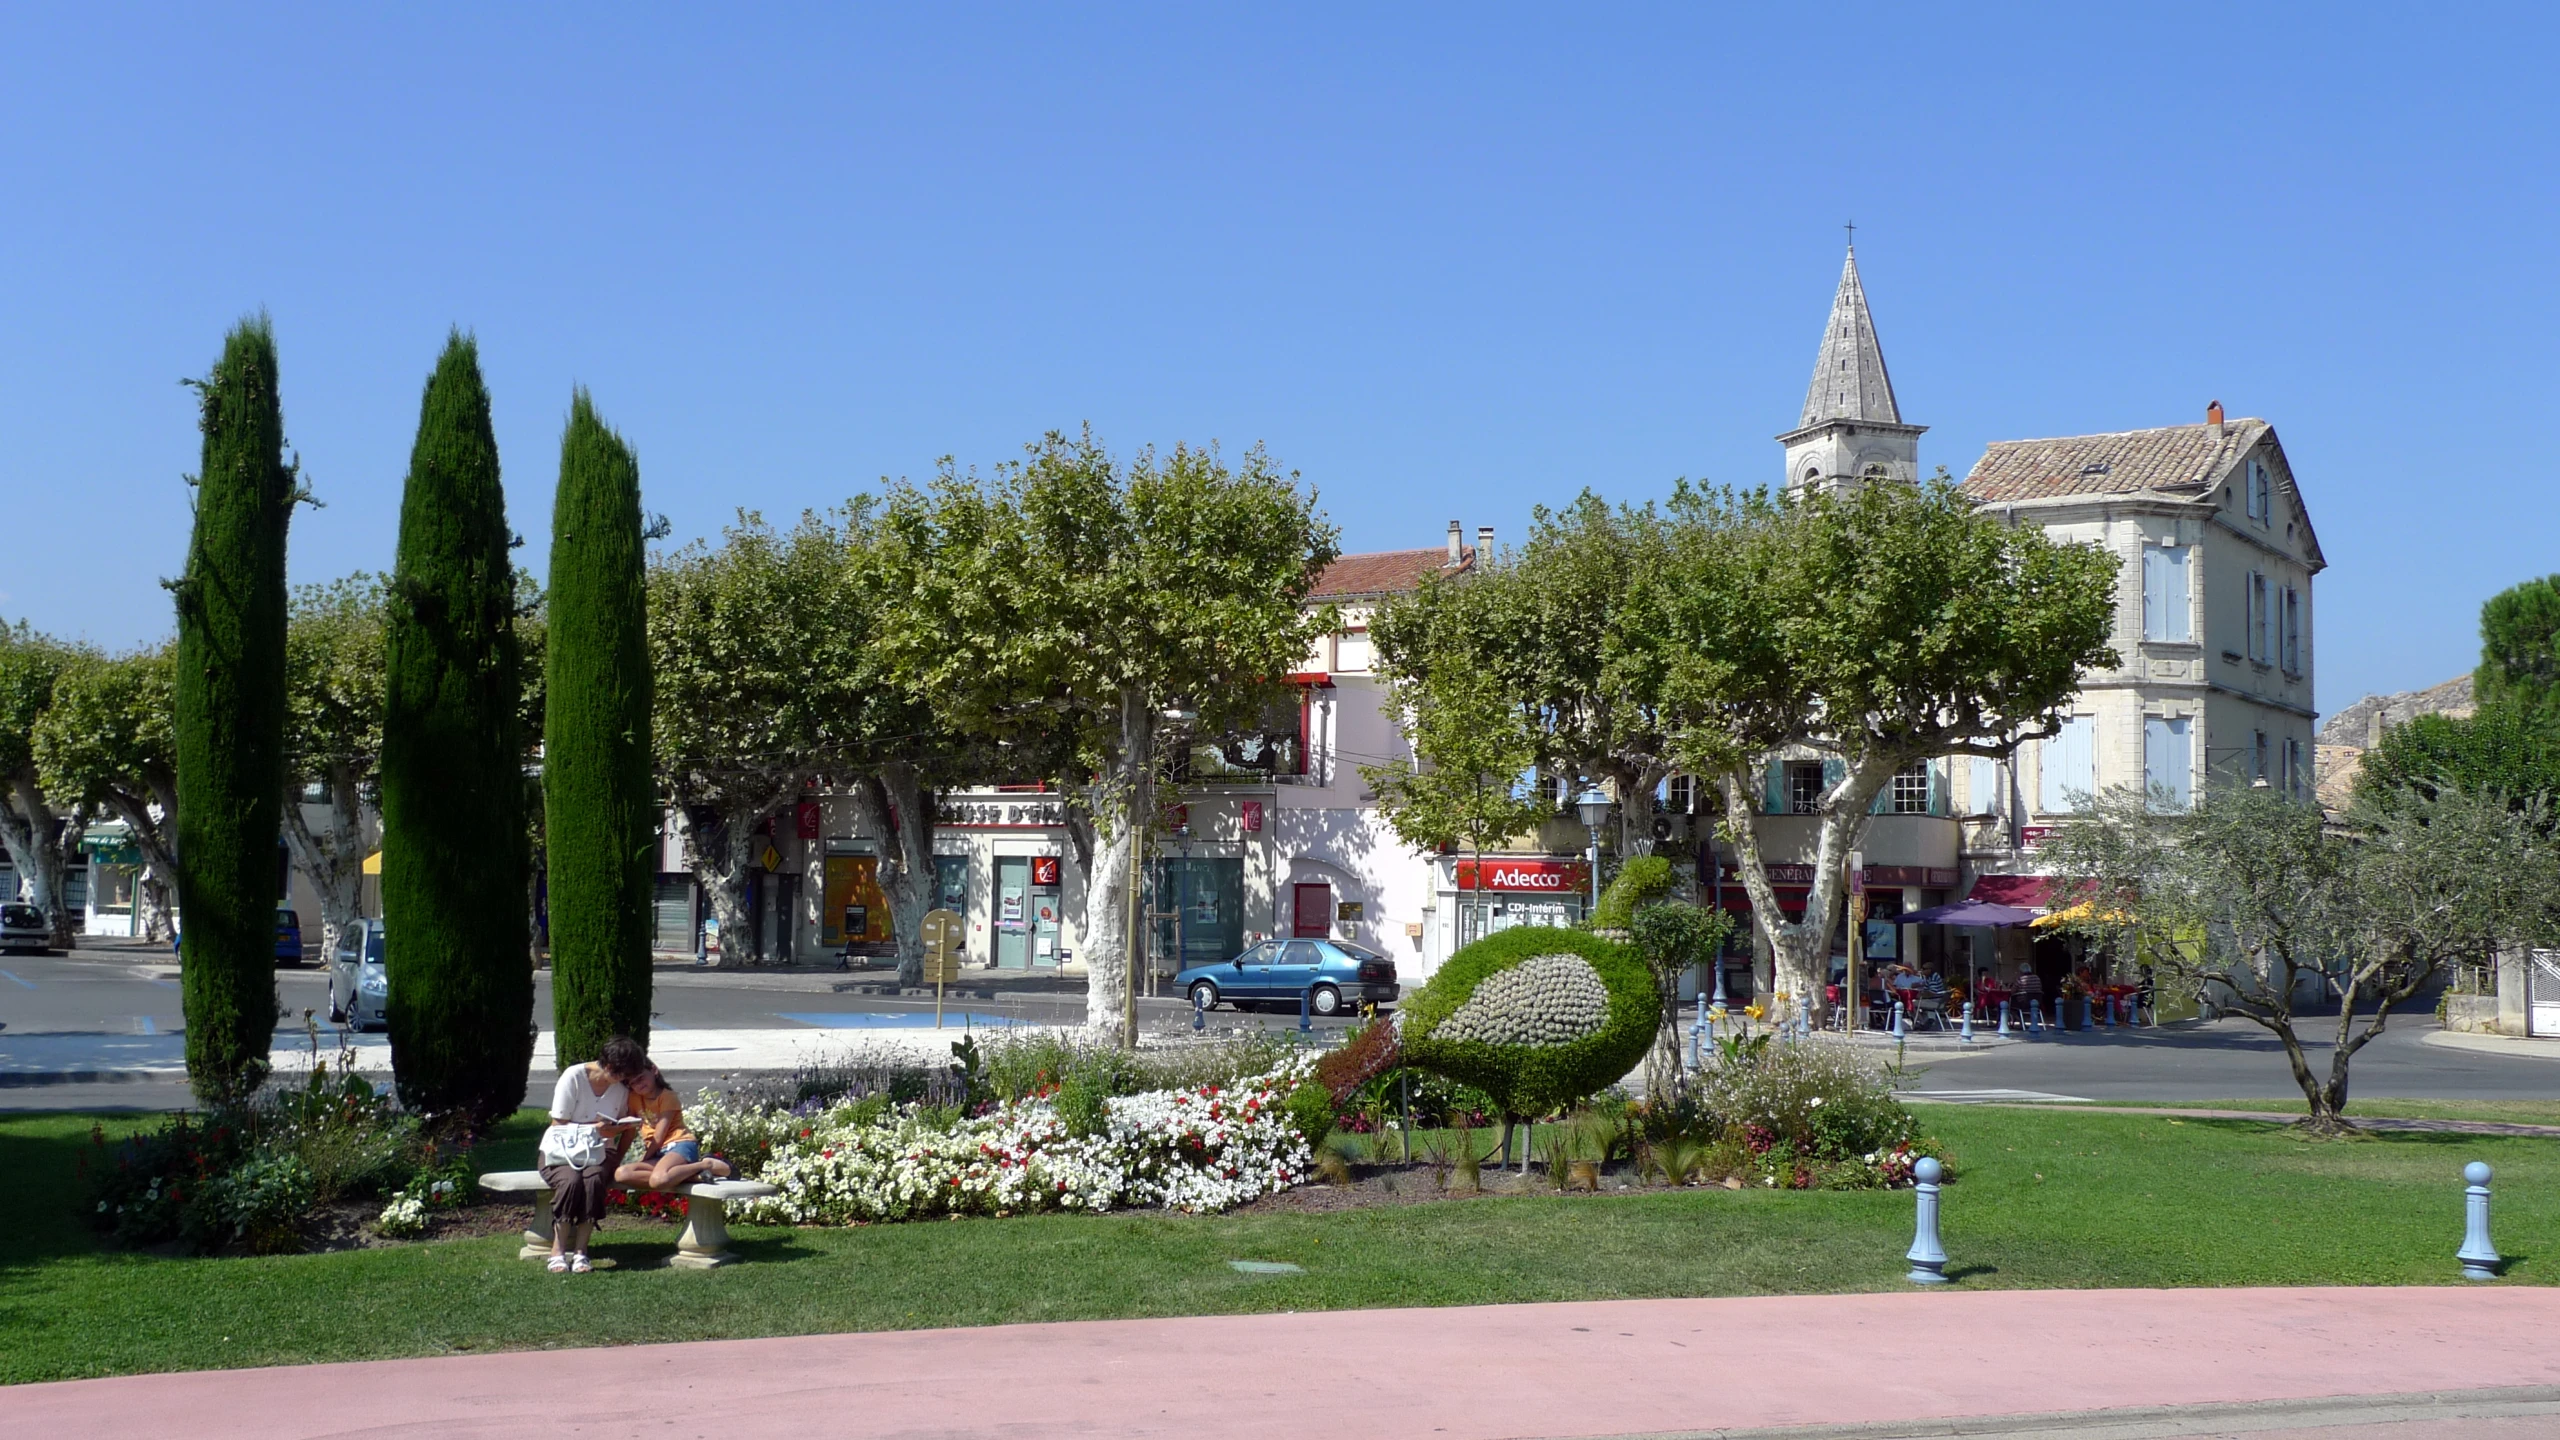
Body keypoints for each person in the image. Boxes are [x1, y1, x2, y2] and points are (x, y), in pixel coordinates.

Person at [540, 1035, 647, 1274]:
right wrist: (593, 1129)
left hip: (600, 1149)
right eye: (621, 1074)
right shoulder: (574, 1077)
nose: (623, 1080)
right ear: (608, 1065)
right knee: (570, 1181)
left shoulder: (620, 1088)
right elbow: (558, 1124)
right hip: (563, 1149)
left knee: (594, 1180)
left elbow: (623, 1126)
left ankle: (581, 1251)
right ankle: (558, 1250)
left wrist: (617, 1150)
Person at [617, 1063, 734, 1191]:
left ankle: (706, 1164)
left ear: (654, 1070)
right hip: (659, 1153)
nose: (638, 1085)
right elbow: (629, 1130)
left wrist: (644, 1159)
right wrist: (617, 1159)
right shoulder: (634, 1098)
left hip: (679, 1144)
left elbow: (659, 1136)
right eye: (632, 1083)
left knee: (658, 1181)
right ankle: (693, 1176)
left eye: (640, 1078)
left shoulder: (667, 1096)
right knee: (622, 1174)